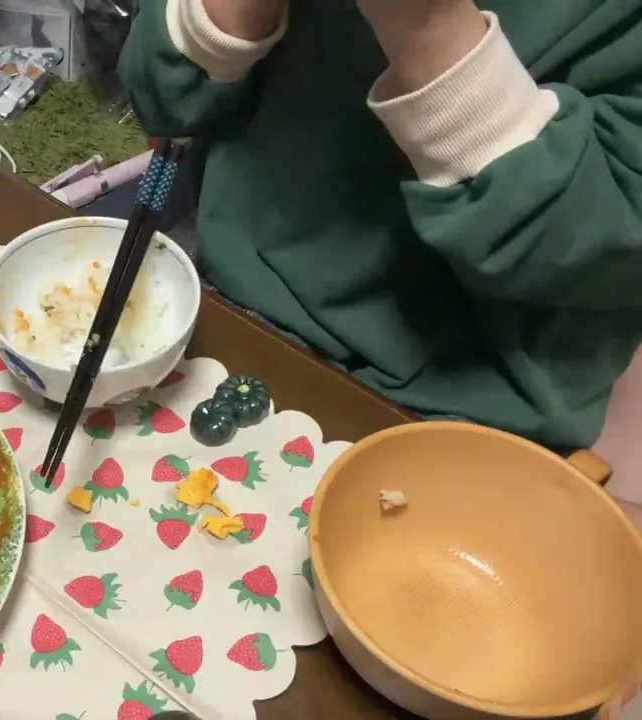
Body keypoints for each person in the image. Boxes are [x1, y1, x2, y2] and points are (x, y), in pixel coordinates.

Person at [119, 0, 642, 518]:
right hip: (229, 317)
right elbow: (160, 96)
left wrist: (425, 26)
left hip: (465, 415)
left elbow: (592, 259)